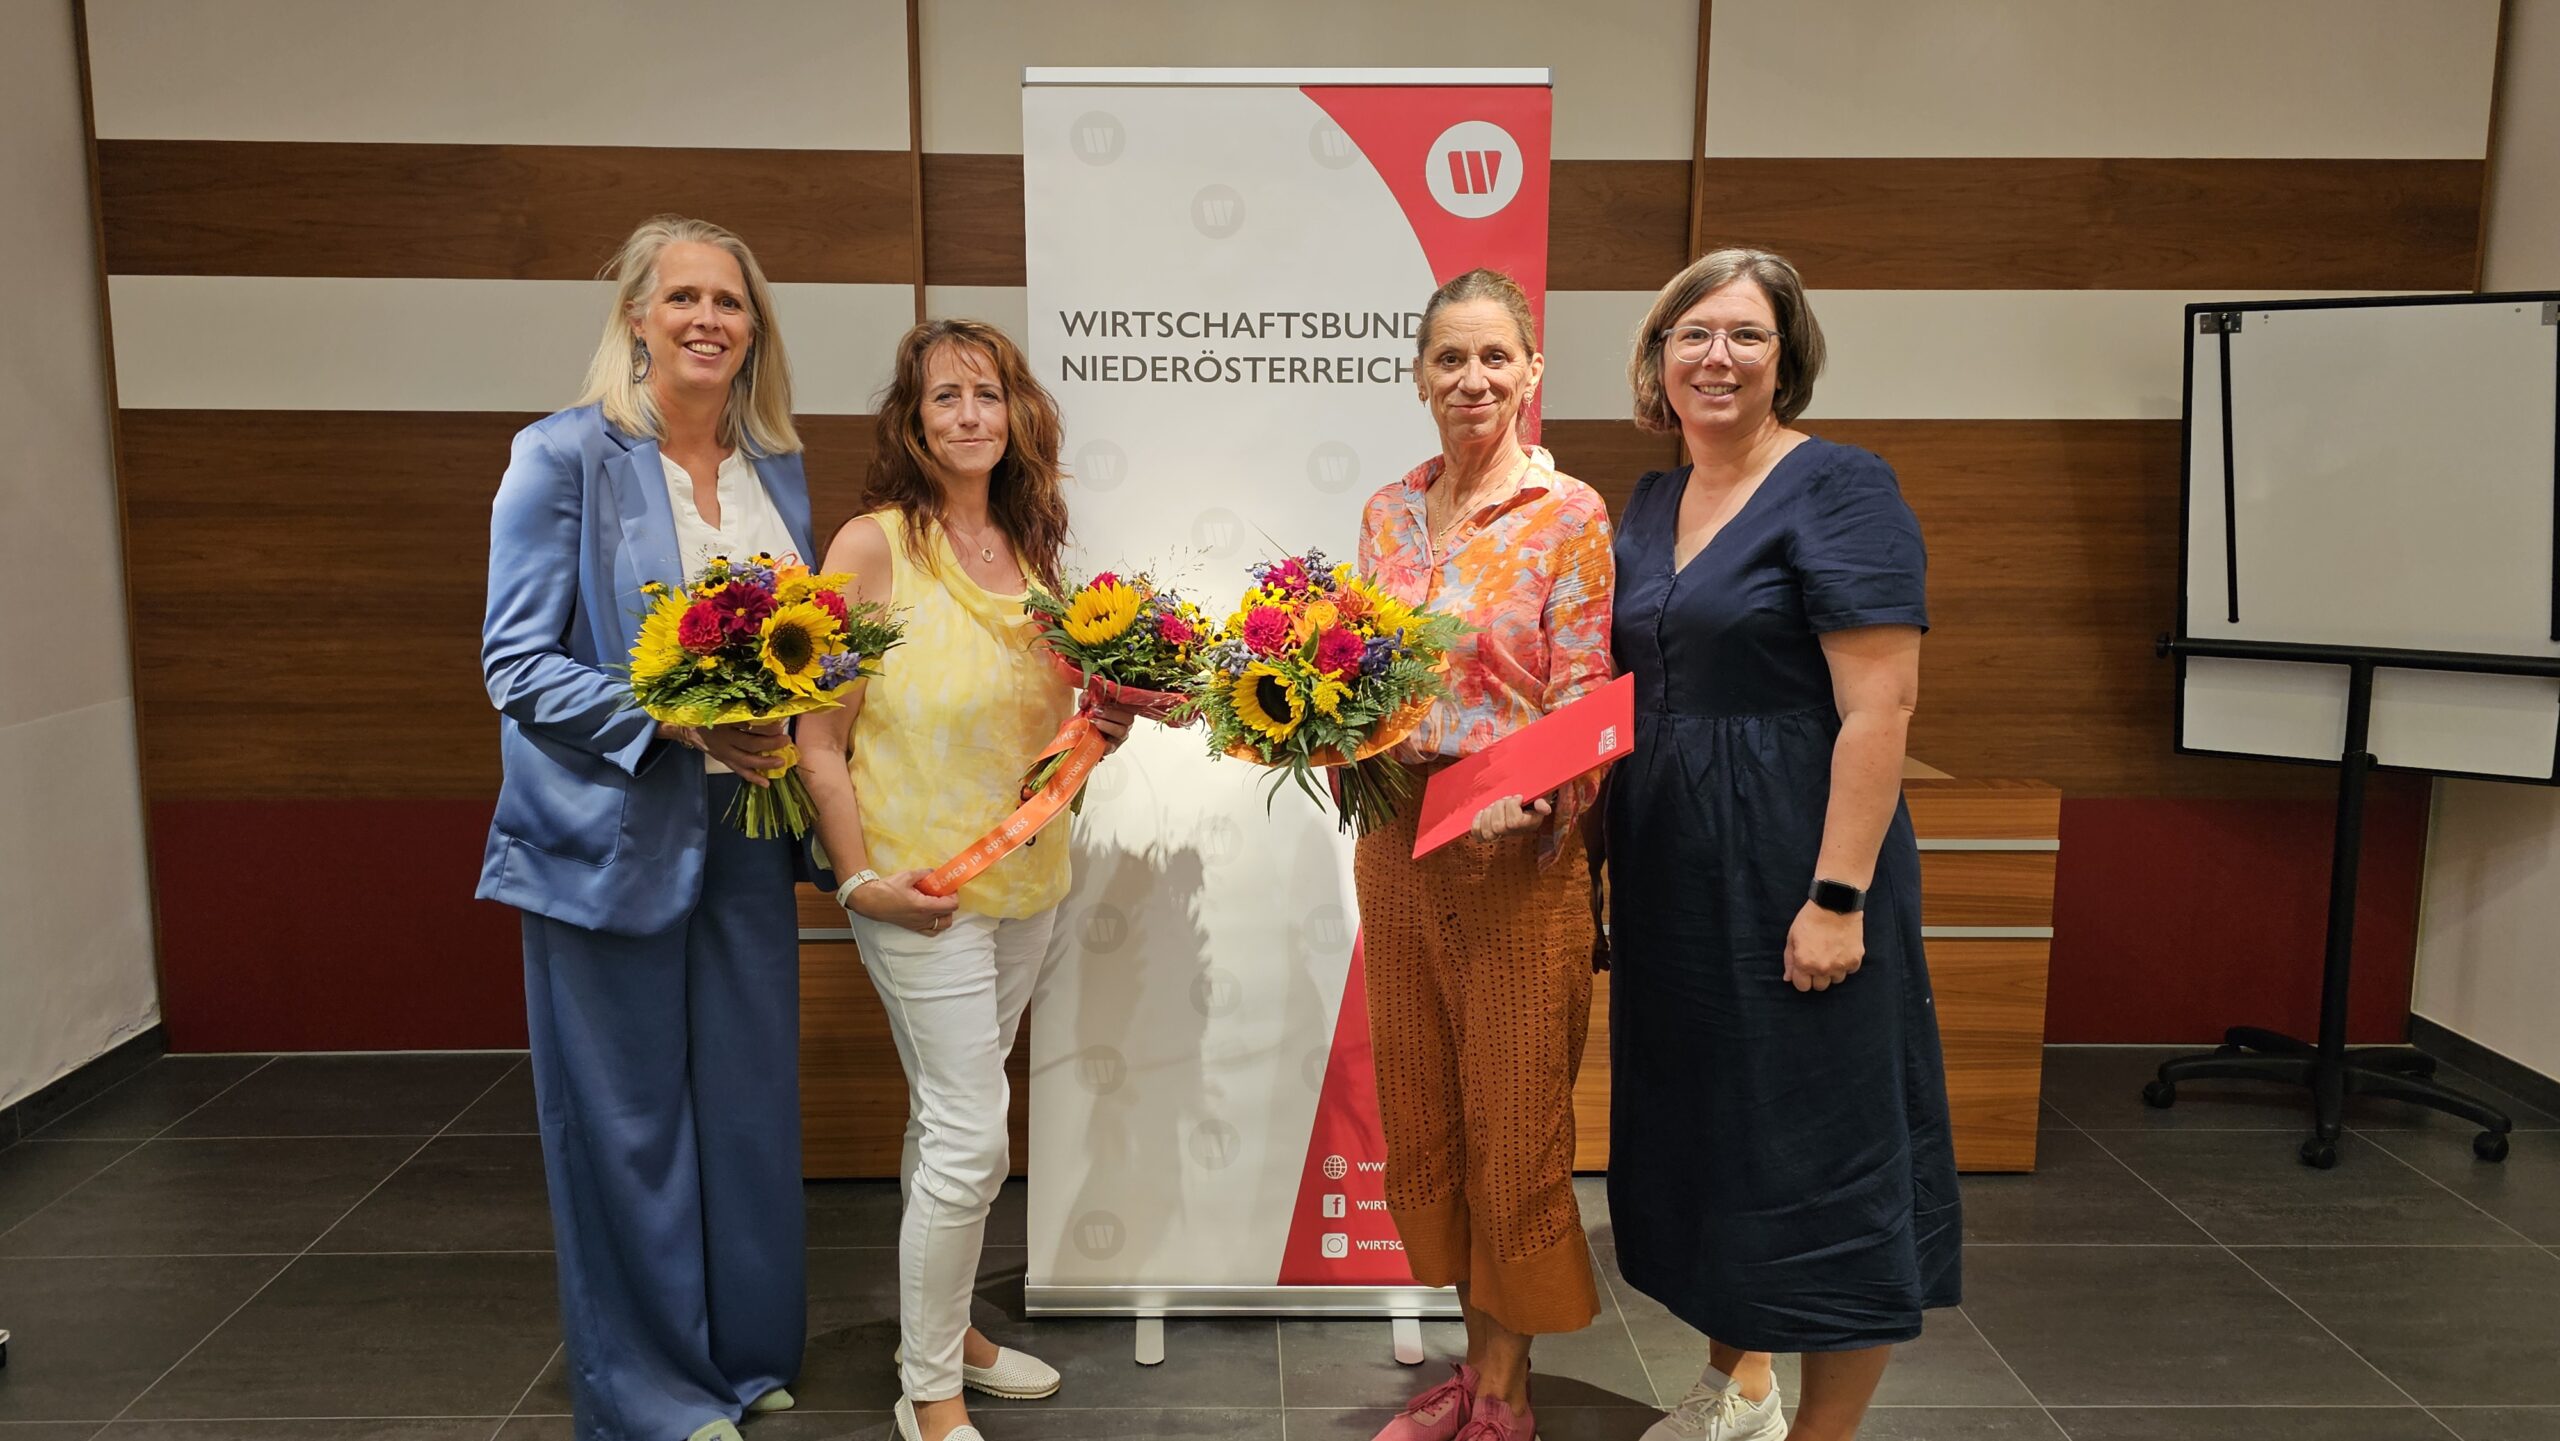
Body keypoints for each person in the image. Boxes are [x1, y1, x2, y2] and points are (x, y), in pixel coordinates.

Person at [1604, 247, 1961, 1441]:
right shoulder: (1649, 503)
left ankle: (1821, 1433)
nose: (1716, 357)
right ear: (1658, 357)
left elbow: (1880, 706)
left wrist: (1837, 897)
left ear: (1784, 357)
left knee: (1821, 1151)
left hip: (1794, 863)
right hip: (1674, 875)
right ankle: (1739, 1384)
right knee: (1717, 1136)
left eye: (1745, 334)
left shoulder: (1842, 488)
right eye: (1692, 333)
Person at [478, 215, 815, 1441]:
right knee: (624, 1126)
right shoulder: (561, 456)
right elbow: (515, 664)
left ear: (753, 329)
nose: (707, 320)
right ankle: (652, 1395)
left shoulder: (777, 465)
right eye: (683, 298)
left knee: (744, 1106)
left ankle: (744, 1353)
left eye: (729, 301)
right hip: (610, 835)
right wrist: (670, 721)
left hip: (747, 828)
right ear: (636, 317)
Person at [797, 319, 1130, 1441]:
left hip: (1026, 886)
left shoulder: (1034, 550)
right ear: (913, 420)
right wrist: (857, 883)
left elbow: (1044, 724)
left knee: (949, 1122)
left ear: (1017, 412)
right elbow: (817, 735)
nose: (969, 414)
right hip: (918, 893)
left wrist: (1108, 725)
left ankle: (939, 1334)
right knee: (972, 1133)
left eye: (986, 393)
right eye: (945, 396)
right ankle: (929, 1390)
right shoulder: (871, 547)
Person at [1352, 269, 1617, 1441]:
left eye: (1494, 357)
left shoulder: (1569, 514)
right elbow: (1357, 671)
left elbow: (1587, 692)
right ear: (1418, 375)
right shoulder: (1386, 513)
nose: (1472, 379)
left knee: (1514, 1129)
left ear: (1531, 371)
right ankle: (1470, 1368)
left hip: (1516, 857)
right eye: (1449, 358)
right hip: (1394, 844)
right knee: (1428, 1119)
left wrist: (1543, 791)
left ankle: (1506, 1395)